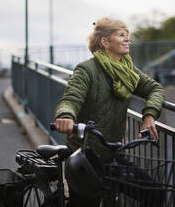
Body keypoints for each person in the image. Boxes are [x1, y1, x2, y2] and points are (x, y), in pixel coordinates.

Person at [54, 17, 165, 207]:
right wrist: (65, 116)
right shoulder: (86, 70)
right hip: (84, 155)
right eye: (122, 35)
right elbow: (71, 99)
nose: (127, 39)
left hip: (111, 153)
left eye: (128, 36)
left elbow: (155, 89)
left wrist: (149, 115)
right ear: (105, 42)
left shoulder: (128, 71)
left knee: (154, 194)